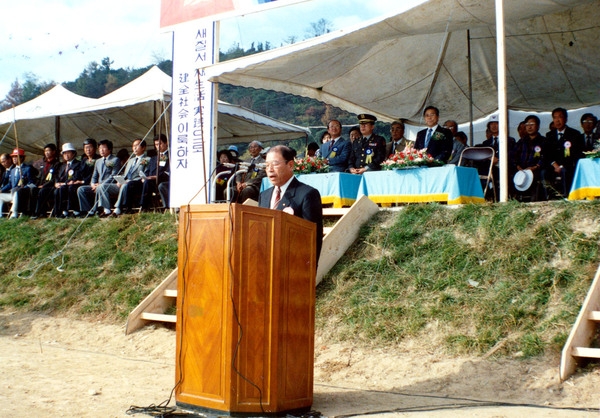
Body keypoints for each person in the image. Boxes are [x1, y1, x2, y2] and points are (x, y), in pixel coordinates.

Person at [258, 145, 323, 262]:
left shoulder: (307, 194)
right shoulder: (264, 195)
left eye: (275, 164)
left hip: (293, 265)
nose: (270, 169)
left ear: (290, 165)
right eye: (267, 165)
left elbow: (313, 239)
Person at [543, 107, 584, 198]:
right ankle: (548, 197)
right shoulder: (549, 135)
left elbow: (576, 154)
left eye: (560, 117)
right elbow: (547, 154)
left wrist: (561, 166)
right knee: (544, 172)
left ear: (565, 119)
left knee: (566, 171)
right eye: (555, 117)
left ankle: (566, 196)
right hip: (553, 166)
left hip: (568, 166)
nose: (557, 120)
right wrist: (555, 165)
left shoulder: (575, 134)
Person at [77, 139, 122, 217]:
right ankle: (88, 210)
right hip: (98, 185)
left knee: (101, 187)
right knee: (81, 189)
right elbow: (94, 176)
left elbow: (114, 175)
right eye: (100, 148)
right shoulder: (98, 161)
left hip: (109, 185)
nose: (101, 150)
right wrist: (93, 184)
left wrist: (100, 184)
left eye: (103, 148)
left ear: (110, 149)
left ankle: (106, 209)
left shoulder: (115, 160)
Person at [510, 115, 547, 200]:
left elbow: (545, 157)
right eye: (527, 124)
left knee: (540, 174)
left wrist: (536, 166)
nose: (529, 127)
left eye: (532, 124)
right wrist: (517, 165)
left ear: (538, 126)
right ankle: (512, 199)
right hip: (521, 169)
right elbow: (513, 155)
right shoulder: (521, 141)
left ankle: (535, 200)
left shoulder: (543, 141)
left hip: (536, 169)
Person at [108, 138, 148, 216]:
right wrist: (120, 180)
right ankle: (105, 209)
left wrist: (128, 181)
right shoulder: (130, 160)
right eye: (133, 146)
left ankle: (118, 208)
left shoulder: (147, 159)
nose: (135, 148)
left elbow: (145, 174)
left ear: (143, 147)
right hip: (126, 182)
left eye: (137, 146)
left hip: (137, 183)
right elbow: (126, 174)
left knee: (126, 184)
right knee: (104, 186)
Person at [29, 143, 62, 219]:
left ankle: (38, 212)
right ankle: (33, 212)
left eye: (48, 151)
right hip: (41, 185)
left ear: (53, 152)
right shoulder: (42, 163)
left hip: (50, 186)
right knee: (33, 190)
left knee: (42, 191)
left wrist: (44, 185)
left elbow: (55, 178)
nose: (46, 152)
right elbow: (39, 176)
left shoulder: (57, 164)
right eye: (45, 151)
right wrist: (38, 184)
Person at [53, 143, 84, 218]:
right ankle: (61, 211)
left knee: (66, 188)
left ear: (73, 153)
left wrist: (64, 183)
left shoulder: (78, 164)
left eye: (68, 153)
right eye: (64, 153)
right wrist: (57, 183)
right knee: (56, 191)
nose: (66, 155)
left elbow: (75, 176)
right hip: (63, 185)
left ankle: (73, 210)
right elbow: (58, 176)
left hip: (74, 184)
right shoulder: (62, 165)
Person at [140, 134, 170, 210]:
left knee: (148, 183)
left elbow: (168, 172)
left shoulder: (170, 155)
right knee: (140, 183)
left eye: (160, 144)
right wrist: (144, 176)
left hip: (162, 180)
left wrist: (156, 177)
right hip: (151, 181)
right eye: (156, 145)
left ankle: (144, 207)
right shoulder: (153, 158)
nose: (158, 146)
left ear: (166, 143)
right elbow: (148, 171)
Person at [6, 148, 37, 219]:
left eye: (16, 156)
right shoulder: (12, 170)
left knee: (17, 191)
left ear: (22, 158)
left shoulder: (27, 168)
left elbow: (31, 181)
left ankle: (14, 212)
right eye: (13, 157)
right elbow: (10, 184)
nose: (14, 158)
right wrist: (1, 190)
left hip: (23, 191)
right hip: (12, 191)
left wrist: (24, 186)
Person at [0, 153, 14, 217]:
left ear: (9, 160)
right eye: (1, 162)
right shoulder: (5, 171)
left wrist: (1, 190)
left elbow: (10, 183)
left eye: (4, 161)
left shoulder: (14, 169)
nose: (3, 164)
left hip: (10, 191)